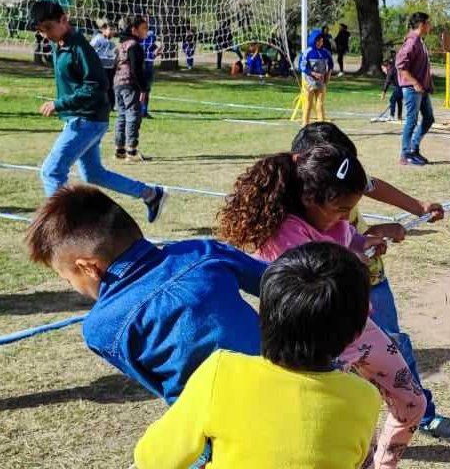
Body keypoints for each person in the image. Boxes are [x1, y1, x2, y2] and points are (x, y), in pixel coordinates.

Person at [217, 145, 425, 468]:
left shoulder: (331, 222)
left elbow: (348, 237)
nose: (345, 217)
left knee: (412, 402)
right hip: (317, 344)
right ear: (310, 199)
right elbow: (316, 289)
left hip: (356, 327)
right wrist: (354, 261)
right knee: (347, 429)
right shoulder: (283, 238)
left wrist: (366, 242)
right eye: (341, 209)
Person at [289, 122, 450, 442]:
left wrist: (416, 208)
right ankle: (336, 435)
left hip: (370, 281)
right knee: (333, 366)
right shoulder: (294, 213)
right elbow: (310, 261)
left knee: (395, 344)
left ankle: (419, 414)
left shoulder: (343, 176)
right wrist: (371, 236)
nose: (345, 212)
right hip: (328, 299)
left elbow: (373, 188)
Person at [133, 242, 381, 469]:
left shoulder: (220, 372)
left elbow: (153, 459)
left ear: (264, 317)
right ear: (355, 333)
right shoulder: (365, 396)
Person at [24, 185, 263, 404]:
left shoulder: (101, 328)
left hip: (211, 427)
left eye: (68, 278)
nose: (72, 285)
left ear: (89, 267)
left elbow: (160, 387)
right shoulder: (203, 252)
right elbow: (278, 283)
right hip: (284, 381)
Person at [30, 1, 166, 222]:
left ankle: (63, 227)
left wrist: (60, 104)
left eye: (48, 28)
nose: (45, 35)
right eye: (41, 31)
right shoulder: (60, 43)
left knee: (52, 171)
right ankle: (151, 194)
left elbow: (97, 86)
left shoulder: (80, 48)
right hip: (82, 118)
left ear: (64, 20)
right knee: (93, 173)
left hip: (87, 120)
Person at [396, 12, 435, 166]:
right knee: (411, 121)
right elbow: (401, 65)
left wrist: (426, 84)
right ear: (421, 24)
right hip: (412, 89)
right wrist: (415, 83)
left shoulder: (420, 41)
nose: (430, 26)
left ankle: (414, 148)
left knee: (429, 118)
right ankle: (405, 154)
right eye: (428, 23)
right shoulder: (412, 41)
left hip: (422, 89)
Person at [113, 15, 151, 162]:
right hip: (129, 84)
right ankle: (132, 151)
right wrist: (143, 88)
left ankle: (120, 150)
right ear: (134, 30)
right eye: (144, 29)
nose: (146, 32)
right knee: (132, 115)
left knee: (122, 115)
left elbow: (115, 65)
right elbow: (136, 70)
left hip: (118, 83)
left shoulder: (121, 44)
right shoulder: (134, 46)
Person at [297, 28, 333, 125]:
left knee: (320, 104)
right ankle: (305, 125)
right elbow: (301, 66)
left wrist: (328, 76)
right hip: (309, 81)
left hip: (321, 82)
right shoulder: (307, 52)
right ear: (313, 40)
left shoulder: (325, 52)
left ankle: (321, 125)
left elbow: (331, 64)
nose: (320, 43)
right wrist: (313, 73)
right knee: (308, 103)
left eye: (321, 41)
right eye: (318, 41)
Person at [90, 22, 117, 95]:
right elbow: (90, 50)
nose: (112, 31)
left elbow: (114, 54)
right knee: (101, 89)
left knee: (110, 89)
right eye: (110, 29)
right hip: (100, 68)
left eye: (113, 30)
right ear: (103, 30)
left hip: (110, 69)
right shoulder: (98, 39)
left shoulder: (112, 42)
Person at [140, 18, 157, 118]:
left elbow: (152, 50)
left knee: (146, 89)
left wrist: (156, 52)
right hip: (140, 64)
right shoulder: (137, 35)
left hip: (148, 64)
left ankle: (143, 111)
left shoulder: (151, 35)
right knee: (141, 89)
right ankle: (141, 111)